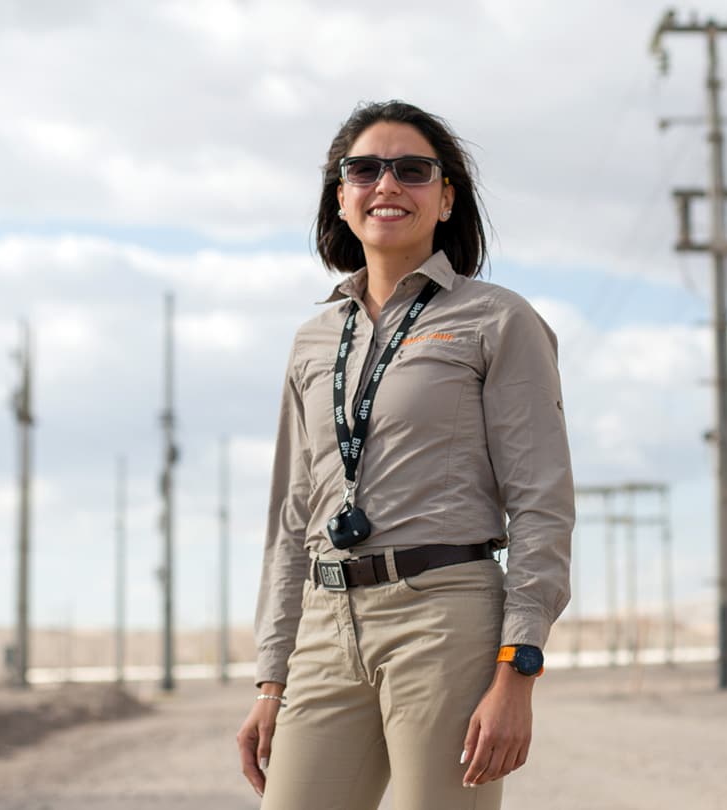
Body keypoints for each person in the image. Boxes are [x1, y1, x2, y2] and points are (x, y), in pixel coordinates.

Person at [236, 99, 574, 810]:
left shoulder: (495, 319)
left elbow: (541, 505)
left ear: (446, 197)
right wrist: (272, 679)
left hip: (444, 617)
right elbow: (292, 518)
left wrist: (518, 670)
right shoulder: (312, 338)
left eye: (412, 170)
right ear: (341, 196)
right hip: (328, 629)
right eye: (364, 169)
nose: (386, 185)